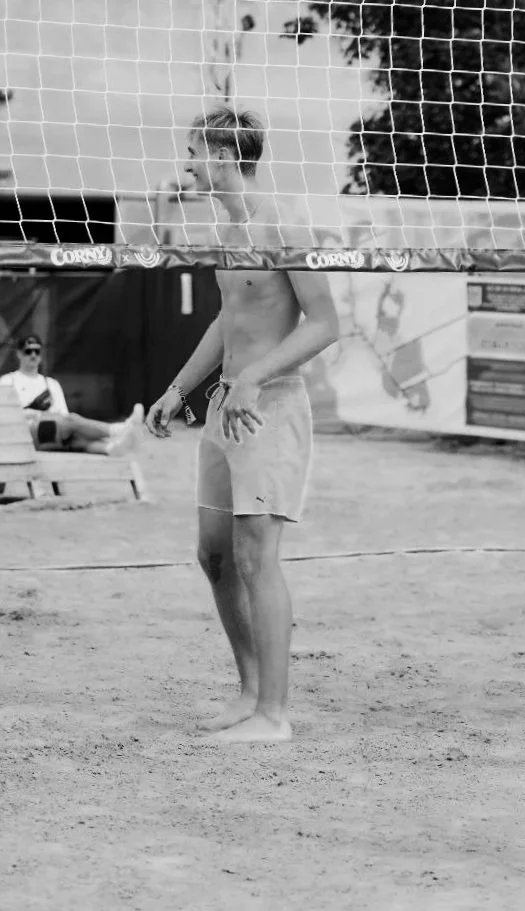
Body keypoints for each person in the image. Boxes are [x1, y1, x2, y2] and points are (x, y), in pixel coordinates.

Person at [145, 107, 340, 745]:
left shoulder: (281, 222)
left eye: (196, 150)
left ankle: (274, 717)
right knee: (214, 555)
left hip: (270, 404)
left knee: (258, 558)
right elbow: (227, 322)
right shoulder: (228, 228)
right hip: (226, 403)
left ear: (227, 154)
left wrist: (254, 377)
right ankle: (251, 692)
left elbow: (323, 324)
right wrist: (180, 388)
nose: (189, 163)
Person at [0, 334, 145, 455]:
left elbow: (62, 414)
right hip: (25, 434)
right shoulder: (8, 381)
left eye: (37, 351)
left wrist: (49, 417)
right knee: (71, 420)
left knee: (74, 437)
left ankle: (110, 448)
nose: (33, 355)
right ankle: (117, 430)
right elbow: (7, 416)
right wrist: (40, 415)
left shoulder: (51, 384)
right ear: (19, 353)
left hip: (51, 432)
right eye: (28, 351)